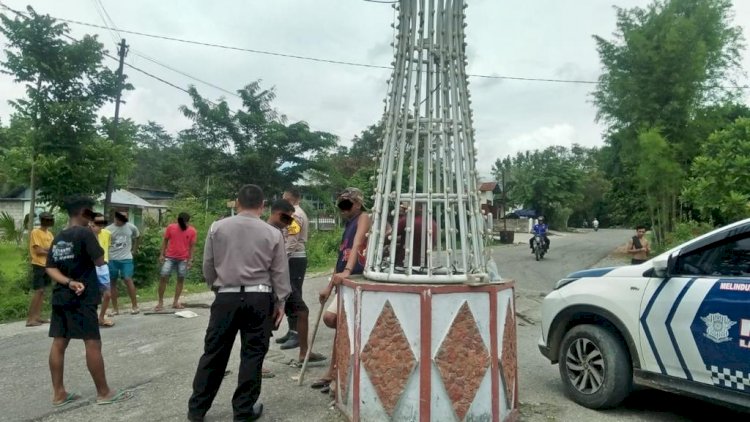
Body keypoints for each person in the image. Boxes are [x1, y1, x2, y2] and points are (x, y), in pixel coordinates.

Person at [188, 184, 290, 422]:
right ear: (262, 205)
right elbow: (279, 272)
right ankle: (243, 411)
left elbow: (208, 265)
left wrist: (218, 288)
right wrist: (281, 301)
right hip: (259, 297)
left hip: (226, 296)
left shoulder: (218, 227)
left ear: (237, 202)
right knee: (253, 354)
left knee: (214, 353)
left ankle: (197, 410)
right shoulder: (272, 233)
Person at [45, 195, 132, 406]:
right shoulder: (85, 233)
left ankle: (59, 394)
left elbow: (50, 267)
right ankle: (104, 392)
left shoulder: (59, 237)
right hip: (83, 297)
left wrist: (67, 282)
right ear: (83, 212)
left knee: (59, 343)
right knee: (92, 342)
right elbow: (99, 260)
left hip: (61, 295)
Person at [313, 187, 371, 395]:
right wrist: (329, 285)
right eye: (341, 205)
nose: (343, 209)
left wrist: (347, 271)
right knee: (333, 320)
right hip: (343, 280)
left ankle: (335, 372)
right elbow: (342, 254)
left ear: (357, 203)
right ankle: (335, 370)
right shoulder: (347, 224)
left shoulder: (364, 217)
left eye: (347, 204)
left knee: (338, 322)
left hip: (356, 276)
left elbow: (357, 245)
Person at [156, 212, 197, 311]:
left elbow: (192, 246)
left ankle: (175, 301)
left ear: (188, 222)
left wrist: (190, 260)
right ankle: (160, 301)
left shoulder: (192, 231)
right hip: (170, 257)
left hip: (183, 258)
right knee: (163, 276)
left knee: (181, 279)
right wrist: (162, 254)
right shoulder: (171, 227)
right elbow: (165, 241)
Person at [106, 211, 140, 315]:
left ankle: (135, 306)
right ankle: (115, 308)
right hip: (112, 259)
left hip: (126, 258)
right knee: (112, 282)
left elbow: (137, 236)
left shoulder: (131, 227)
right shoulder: (108, 230)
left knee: (127, 279)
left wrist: (134, 250)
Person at [26, 212, 55, 327]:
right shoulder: (35, 232)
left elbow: (53, 249)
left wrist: (47, 250)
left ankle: (37, 317)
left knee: (43, 292)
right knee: (38, 290)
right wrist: (48, 250)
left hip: (47, 265)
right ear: (42, 220)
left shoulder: (50, 234)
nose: (48, 221)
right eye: (46, 219)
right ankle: (30, 319)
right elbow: (38, 251)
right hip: (38, 264)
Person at [395, 202, 438, 268]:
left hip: (405, 264)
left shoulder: (407, 221)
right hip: (424, 265)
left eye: (410, 206)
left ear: (420, 208)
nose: (408, 208)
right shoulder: (432, 222)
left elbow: (390, 236)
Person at [90, 213, 114, 328]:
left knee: (107, 294)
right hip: (90, 267)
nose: (100, 226)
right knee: (92, 294)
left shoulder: (107, 234)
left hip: (103, 266)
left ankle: (101, 317)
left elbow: (106, 249)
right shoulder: (86, 235)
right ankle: (92, 318)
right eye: (97, 223)